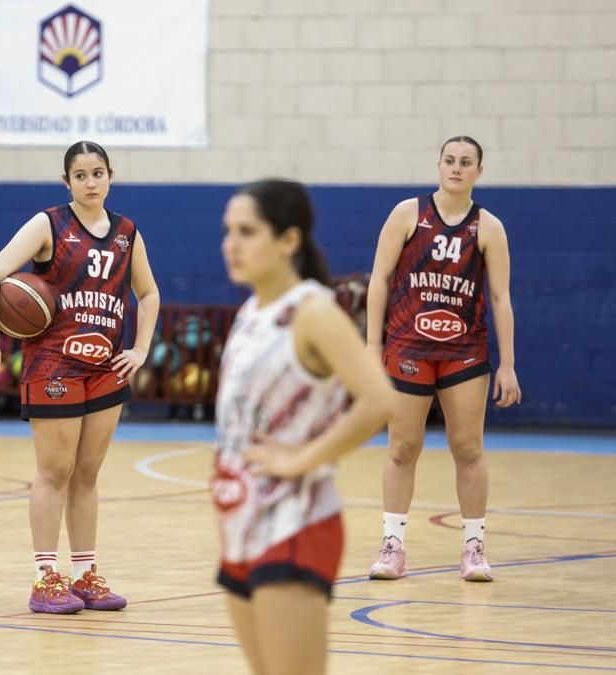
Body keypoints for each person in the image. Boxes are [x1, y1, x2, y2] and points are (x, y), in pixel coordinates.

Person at [212, 179, 393, 674]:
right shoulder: (250, 312)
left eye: (247, 231)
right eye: (228, 230)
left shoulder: (313, 312)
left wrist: (302, 458)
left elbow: (379, 399)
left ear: (288, 240)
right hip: (241, 523)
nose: (231, 244)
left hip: (296, 520)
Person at [0, 141, 160, 613]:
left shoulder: (127, 233)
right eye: (80, 175)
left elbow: (149, 293)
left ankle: (85, 575)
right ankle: (45, 578)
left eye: (98, 173)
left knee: (87, 474)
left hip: (105, 366)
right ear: (67, 182)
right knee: (55, 472)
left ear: (111, 176)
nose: (91, 182)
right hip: (53, 364)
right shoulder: (49, 224)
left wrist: (140, 349)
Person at [365, 136, 521, 583]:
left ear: (478, 171)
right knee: (402, 447)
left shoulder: (488, 227)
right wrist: (372, 346)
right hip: (408, 346)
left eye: (466, 162)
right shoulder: (407, 214)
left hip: (464, 351)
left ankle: (474, 547)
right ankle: (393, 546)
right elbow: (379, 279)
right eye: (450, 160)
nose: (456, 168)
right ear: (438, 165)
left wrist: (507, 364)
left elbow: (500, 298)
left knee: (468, 447)